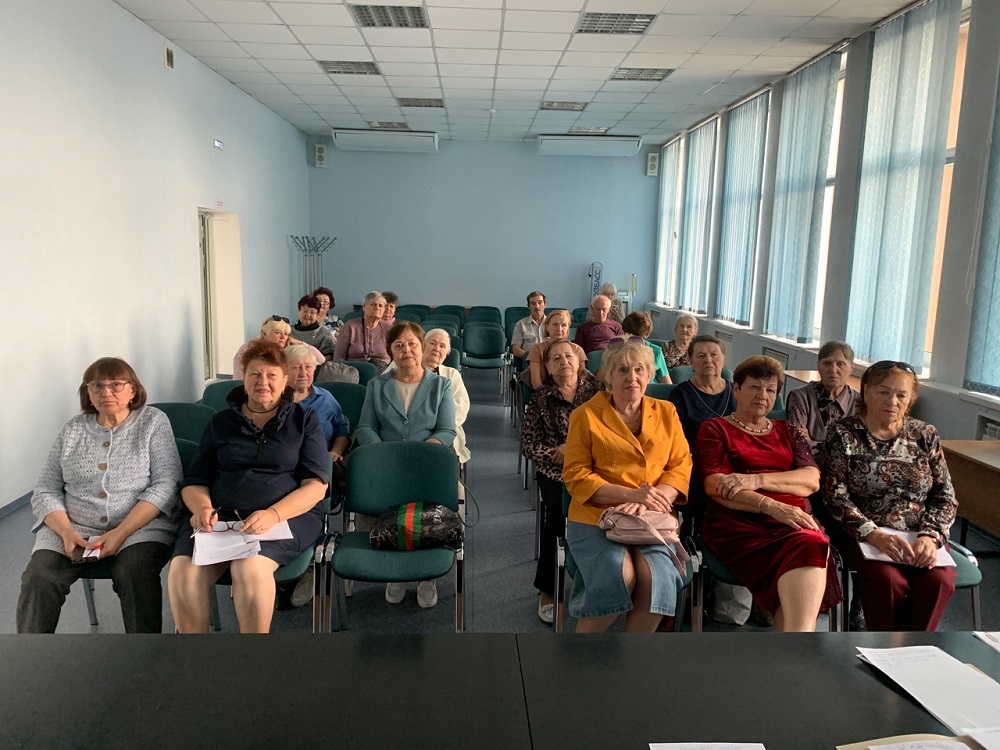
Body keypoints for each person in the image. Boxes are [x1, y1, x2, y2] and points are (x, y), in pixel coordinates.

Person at [167, 341, 329, 633]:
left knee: (249, 567)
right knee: (183, 572)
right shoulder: (221, 422)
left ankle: (252, 655)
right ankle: (193, 656)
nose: (263, 382)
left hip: (287, 517)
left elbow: (316, 486)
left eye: (271, 375)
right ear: (243, 379)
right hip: (220, 518)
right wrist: (202, 508)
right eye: (255, 374)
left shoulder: (304, 420)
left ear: (284, 381)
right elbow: (195, 481)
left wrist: (273, 515)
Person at [17, 358, 182, 633]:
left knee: (134, 573)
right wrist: (66, 532)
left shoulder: (152, 422)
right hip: (75, 527)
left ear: (132, 389)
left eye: (116, 385)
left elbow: (166, 485)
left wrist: (120, 533)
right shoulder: (73, 429)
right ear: (87, 392)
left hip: (139, 528)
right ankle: (30, 654)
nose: (106, 392)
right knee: (39, 577)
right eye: (97, 386)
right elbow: (46, 488)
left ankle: (145, 652)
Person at [697, 356, 839, 632]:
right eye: (755, 387)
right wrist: (772, 506)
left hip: (793, 521)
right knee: (810, 546)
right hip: (739, 525)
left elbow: (811, 480)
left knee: (811, 543)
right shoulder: (715, 428)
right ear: (736, 389)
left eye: (771, 390)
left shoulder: (788, 431)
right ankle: (797, 646)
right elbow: (717, 486)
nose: (763, 395)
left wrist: (756, 480)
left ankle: (793, 645)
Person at [562, 342, 692, 633]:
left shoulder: (667, 411)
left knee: (657, 577)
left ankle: (632, 652)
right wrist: (632, 495)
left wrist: (648, 500)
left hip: (652, 515)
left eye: (639, 370)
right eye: (622, 370)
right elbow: (576, 475)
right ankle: (580, 651)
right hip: (596, 515)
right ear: (608, 376)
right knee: (620, 575)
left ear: (649, 375)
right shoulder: (585, 415)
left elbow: (681, 465)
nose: (631, 377)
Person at [821, 360, 958, 632]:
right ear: (866, 392)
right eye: (883, 392)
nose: (892, 401)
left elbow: (945, 495)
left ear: (911, 399)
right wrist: (873, 534)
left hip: (919, 533)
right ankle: (886, 646)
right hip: (865, 532)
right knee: (887, 581)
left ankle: (911, 648)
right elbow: (834, 495)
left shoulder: (926, 435)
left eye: (901, 395)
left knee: (939, 581)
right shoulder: (844, 434)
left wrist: (930, 537)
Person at [356, 322, 457, 609]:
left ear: (422, 348)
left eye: (412, 344)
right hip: (386, 466)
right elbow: (365, 427)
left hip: (426, 466)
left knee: (424, 519)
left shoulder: (441, 385)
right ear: (390, 351)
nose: (407, 350)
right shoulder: (377, 385)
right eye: (399, 345)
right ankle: (395, 572)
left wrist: (423, 453)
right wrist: (382, 454)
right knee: (387, 516)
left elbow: (446, 430)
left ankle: (426, 577)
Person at [521, 338, 603, 624]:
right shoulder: (540, 398)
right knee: (556, 514)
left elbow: (609, 433)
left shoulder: (597, 393)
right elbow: (529, 445)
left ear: (579, 362)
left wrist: (574, 449)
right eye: (556, 358)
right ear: (547, 367)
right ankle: (548, 588)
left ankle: (599, 580)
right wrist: (557, 453)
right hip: (557, 471)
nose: (564, 362)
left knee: (605, 511)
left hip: (595, 467)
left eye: (569, 356)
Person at [786, 340, 859, 456]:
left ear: (851, 368)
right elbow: (797, 444)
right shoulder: (800, 397)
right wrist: (841, 449)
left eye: (840, 364)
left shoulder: (860, 402)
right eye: (827, 363)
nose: (833, 370)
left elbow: (859, 450)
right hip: (808, 464)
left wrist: (812, 442)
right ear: (818, 366)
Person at [668, 335, 735, 446]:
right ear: (691, 362)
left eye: (714, 355)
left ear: (723, 359)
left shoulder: (737, 392)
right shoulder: (680, 395)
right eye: (701, 356)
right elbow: (676, 439)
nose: (708, 360)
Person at [233, 316, 323, 378]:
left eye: (286, 334)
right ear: (264, 333)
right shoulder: (248, 349)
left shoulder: (288, 349)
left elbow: (321, 359)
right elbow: (239, 379)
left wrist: (300, 342)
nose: (283, 337)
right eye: (278, 333)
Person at [525, 309, 586, 389]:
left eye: (564, 325)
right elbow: (536, 383)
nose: (559, 329)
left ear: (568, 328)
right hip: (545, 393)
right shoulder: (537, 349)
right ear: (547, 327)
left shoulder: (577, 349)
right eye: (555, 325)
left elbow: (582, 378)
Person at [333, 291, 391, 372]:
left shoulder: (389, 328)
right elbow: (338, 357)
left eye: (380, 306)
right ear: (364, 307)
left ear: (384, 310)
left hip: (382, 371)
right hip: (354, 370)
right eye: (373, 304)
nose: (377, 307)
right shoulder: (350, 326)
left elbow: (395, 356)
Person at [620, 311, 672, 384]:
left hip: (650, 389)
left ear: (646, 335)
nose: (634, 342)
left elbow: (667, 384)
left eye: (637, 338)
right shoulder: (617, 350)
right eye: (630, 337)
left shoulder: (656, 351)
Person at [292, 294, 336, 362]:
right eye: (305, 311)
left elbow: (330, 356)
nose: (308, 315)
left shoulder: (324, 334)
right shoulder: (288, 331)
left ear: (317, 314)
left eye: (312, 312)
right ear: (299, 311)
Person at [511, 291, 547, 358]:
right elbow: (516, 350)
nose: (537, 306)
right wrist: (531, 357)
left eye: (540, 303)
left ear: (545, 304)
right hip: (530, 360)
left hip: (550, 360)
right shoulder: (520, 324)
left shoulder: (552, 323)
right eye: (533, 303)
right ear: (529, 306)